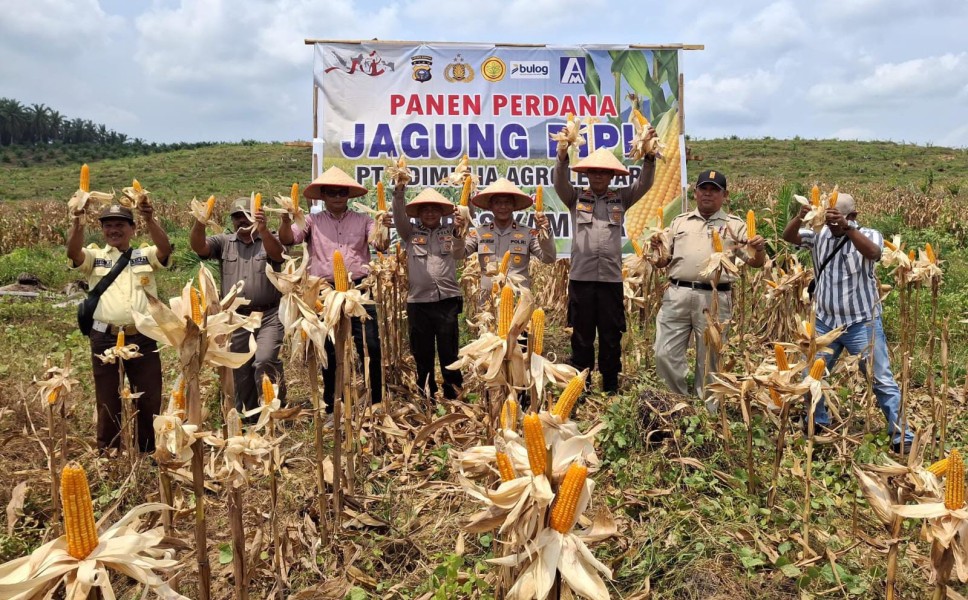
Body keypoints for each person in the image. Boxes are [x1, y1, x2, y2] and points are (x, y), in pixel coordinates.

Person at [782, 191, 914, 453]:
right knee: (811, 377)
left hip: (862, 323)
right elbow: (789, 237)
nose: (831, 226)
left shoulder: (869, 234)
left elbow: (874, 252)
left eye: (836, 219)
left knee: (881, 379)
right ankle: (817, 422)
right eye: (827, 219)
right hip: (825, 322)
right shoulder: (819, 235)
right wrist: (800, 217)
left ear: (853, 216)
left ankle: (902, 436)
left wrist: (848, 229)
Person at [279, 166, 389, 414]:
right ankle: (333, 405)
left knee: (370, 345)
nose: (337, 196)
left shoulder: (364, 221)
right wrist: (285, 219)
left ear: (348, 195)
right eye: (331, 192)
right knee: (328, 348)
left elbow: (380, 243)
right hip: (324, 292)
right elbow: (288, 240)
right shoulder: (311, 221)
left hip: (359, 289)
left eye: (342, 192)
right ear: (324, 195)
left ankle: (376, 402)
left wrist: (384, 225)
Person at [651, 170, 766, 399]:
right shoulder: (679, 222)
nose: (708, 194)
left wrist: (760, 248)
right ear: (695, 192)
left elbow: (754, 262)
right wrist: (656, 248)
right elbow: (662, 261)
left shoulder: (735, 226)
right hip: (677, 294)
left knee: (711, 358)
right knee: (664, 353)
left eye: (715, 190)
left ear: (725, 195)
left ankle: (708, 411)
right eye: (704, 189)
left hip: (714, 299)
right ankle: (677, 403)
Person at [67, 202, 172, 453]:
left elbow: (165, 249)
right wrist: (77, 221)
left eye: (120, 225)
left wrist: (150, 219)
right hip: (105, 337)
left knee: (148, 397)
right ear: (102, 230)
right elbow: (73, 253)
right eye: (108, 225)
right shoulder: (95, 257)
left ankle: (147, 450)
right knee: (108, 398)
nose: (114, 230)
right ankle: (109, 451)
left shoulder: (143, 255)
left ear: (133, 229)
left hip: (143, 336)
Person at [553, 146, 655, 393]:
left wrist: (650, 158)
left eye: (604, 172)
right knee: (581, 336)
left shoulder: (620, 198)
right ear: (587, 174)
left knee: (611, 337)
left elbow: (644, 184)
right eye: (594, 172)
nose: (598, 176)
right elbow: (559, 181)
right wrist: (562, 157)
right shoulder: (575, 197)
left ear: (612, 176)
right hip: (581, 279)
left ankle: (610, 387)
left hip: (610, 280)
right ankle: (581, 388)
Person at [190, 197, 287, 413]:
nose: (242, 220)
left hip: (269, 314)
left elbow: (278, 254)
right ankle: (250, 414)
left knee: (264, 359)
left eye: (246, 215)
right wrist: (200, 221)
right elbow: (200, 247)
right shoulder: (224, 242)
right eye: (237, 216)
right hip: (236, 317)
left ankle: (274, 410)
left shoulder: (269, 239)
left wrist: (263, 230)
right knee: (240, 367)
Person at [391, 183, 467, 399]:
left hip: (447, 300)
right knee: (422, 353)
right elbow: (398, 216)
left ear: (442, 212)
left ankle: (453, 394)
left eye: (435, 208)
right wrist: (399, 193)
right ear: (419, 213)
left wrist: (467, 195)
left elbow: (464, 216)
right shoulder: (410, 233)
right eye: (425, 209)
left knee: (449, 351)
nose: (430, 212)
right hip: (418, 303)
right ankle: (427, 394)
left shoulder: (451, 231)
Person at [465, 178, 555, 299]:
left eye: (507, 202)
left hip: (518, 301)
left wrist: (544, 231)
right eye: (498, 202)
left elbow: (548, 258)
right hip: (487, 304)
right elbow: (458, 254)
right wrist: (459, 230)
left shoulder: (528, 233)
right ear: (490, 206)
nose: (503, 206)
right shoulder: (479, 232)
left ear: (514, 206)